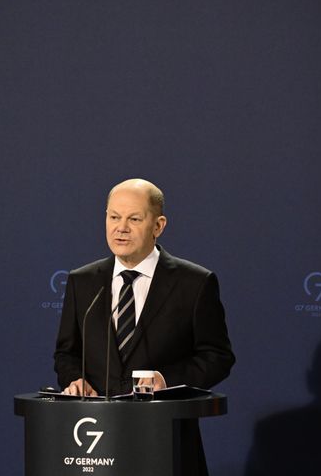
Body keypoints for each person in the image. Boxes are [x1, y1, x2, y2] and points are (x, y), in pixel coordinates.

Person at [54, 178, 235, 475]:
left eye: (134, 219)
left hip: (165, 440)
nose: (120, 227)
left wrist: (167, 381)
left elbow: (217, 356)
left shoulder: (194, 283)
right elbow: (66, 353)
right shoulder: (82, 281)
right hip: (96, 445)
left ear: (158, 225)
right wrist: (75, 380)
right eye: (113, 217)